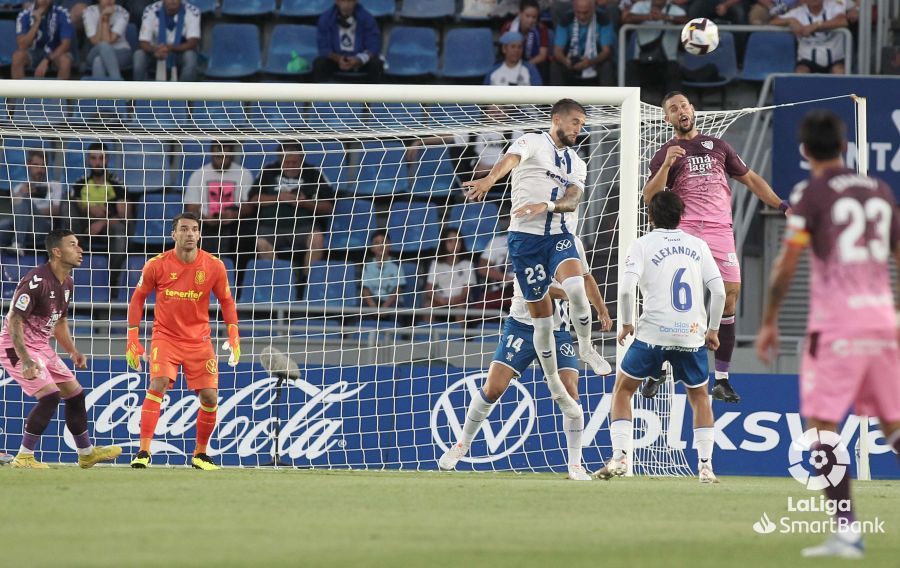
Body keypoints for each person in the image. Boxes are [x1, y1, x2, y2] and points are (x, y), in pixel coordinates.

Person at [755, 111, 900, 559]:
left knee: (822, 428)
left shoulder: (809, 193)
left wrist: (770, 320)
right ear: (844, 148)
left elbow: (787, 263)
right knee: (893, 427)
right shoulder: (880, 190)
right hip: (883, 321)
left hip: (836, 326)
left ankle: (848, 532)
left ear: (804, 151)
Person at [464, 98, 607, 428]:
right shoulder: (532, 141)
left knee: (574, 287)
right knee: (540, 324)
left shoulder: (576, 161)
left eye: (582, 124)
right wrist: (488, 181)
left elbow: (572, 200)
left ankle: (585, 347)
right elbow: (510, 159)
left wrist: (546, 204)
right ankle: (464, 441)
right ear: (556, 119)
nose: (579, 128)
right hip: (525, 242)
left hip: (558, 234)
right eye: (574, 122)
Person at [642, 92, 788, 404]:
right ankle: (656, 370)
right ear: (667, 119)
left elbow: (750, 179)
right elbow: (648, 197)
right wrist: (667, 165)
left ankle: (721, 379)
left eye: (684, 105)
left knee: (731, 294)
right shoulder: (665, 152)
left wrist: (782, 205)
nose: (680, 111)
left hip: (721, 230)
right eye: (673, 109)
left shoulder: (718, 146)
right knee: (676, 300)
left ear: (693, 109)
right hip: (686, 229)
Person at [439, 235, 612, 480]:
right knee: (494, 388)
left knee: (571, 391)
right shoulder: (526, 240)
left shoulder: (571, 242)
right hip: (522, 326)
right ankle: (461, 444)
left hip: (558, 331)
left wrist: (601, 309)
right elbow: (534, 284)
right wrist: (572, 293)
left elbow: (586, 277)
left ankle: (575, 465)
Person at [595, 192, 725, 483]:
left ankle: (620, 458)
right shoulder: (698, 245)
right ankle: (706, 467)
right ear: (682, 215)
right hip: (691, 335)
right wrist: (713, 329)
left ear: (650, 217)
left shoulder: (641, 245)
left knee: (623, 390)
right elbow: (718, 291)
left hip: (653, 333)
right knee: (700, 397)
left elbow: (627, 289)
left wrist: (627, 323)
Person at [126, 211, 240, 470]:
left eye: (194, 229)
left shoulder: (214, 265)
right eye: (185, 229)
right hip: (166, 337)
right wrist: (133, 337)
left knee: (210, 397)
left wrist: (233, 334)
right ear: (173, 234)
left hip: (199, 341)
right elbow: (138, 299)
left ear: (200, 234)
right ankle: (143, 451)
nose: (190, 234)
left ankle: (200, 454)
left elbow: (226, 301)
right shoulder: (156, 264)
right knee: (158, 383)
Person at [0, 229, 121, 468]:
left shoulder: (67, 282)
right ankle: (24, 457)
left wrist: (73, 351)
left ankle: (86, 453)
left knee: (75, 395)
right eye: (73, 245)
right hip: (14, 346)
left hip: (41, 346)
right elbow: (14, 320)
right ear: (56, 251)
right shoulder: (36, 282)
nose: (80, 250)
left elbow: (60, 321)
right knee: (50, 396)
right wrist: (25, 360)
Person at [249, 143, 334, 272]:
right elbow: (253, 200)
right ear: (280, 160)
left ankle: (307, 283)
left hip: (303, 226)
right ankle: (281, 280)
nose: (290, 166)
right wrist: (279, 197)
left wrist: (305, 203)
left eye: (295, 162)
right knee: (260, 242)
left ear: (302, 160)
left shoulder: (314, 174)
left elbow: (329, 207)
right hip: (271, 227)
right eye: (286, 163)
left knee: (317, 239)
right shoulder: (268, 171)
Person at [185, 141, 254, 260]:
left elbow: (250, 206)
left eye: (225, 156)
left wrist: (235, 214)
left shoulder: (244, 174)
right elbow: (191, 207)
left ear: (232, 154)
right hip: (206, 222)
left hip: (235, 223)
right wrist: (205, 218)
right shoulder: (198, 175)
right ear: (212, 153)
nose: (222, 160)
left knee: (245, 235)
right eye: (218, 156)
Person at [69, 142, 129, 257]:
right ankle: (76, 249)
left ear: (107, 160)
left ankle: (113, 274)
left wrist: (102, 223)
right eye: (93, 158)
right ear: (88, 160)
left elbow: (125, 217)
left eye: (102, 158)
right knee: (67, 203)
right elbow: (73, 211)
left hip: (108, 224)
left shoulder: (117, 184)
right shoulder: (79, 183)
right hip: (83, 225)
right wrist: (89, 209)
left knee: (120, 231)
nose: (98, 163)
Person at [0, 150, 63, 255]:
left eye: (43, 165)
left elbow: (57, 211)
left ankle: (18, 243)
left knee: (23, 200)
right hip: (21, 226)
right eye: (36, 165)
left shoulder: (55, 185)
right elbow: (15, 210)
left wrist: (30, 210)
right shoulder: (20, 187)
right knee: (3, 225)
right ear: (28, 165)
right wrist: (21, 193)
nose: (40, 169)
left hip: (42, 228)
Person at [623, 0, 686, 102]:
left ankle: (675, 108)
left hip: (667, 62)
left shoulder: (676, 10)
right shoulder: (640, 6)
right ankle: (630, 107)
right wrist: (648, 17)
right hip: (642, 61)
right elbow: (626, 19)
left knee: (673, 69)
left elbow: (687, 21)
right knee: (630, 67)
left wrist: (666, 17)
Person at [314, 0, 382, 83]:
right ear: (337, 1)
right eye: (343, 1)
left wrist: (359, 59)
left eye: (350, 1)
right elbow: (323, 47)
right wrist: (338, 59)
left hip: (360, 60)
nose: (346, 4)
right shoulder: (326, 18)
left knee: (376, 64)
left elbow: (374, 46)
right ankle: (321, 94)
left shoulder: (367, 18)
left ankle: (374, 94)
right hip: (336, 60)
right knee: (319, 63)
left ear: (356, 1)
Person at [771, 0, 848, 74]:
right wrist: (791, 20)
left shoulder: (833, 5)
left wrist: (816, 25)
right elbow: (773, 22)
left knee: (839, 71)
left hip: (835, 59)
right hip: (807, 59)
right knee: (800, 73)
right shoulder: (797, 12)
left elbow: (842, 21)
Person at [133, 0, 200, 81]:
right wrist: (155, 50)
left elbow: (193, 42)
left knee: (190, 56)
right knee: (139, 55)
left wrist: (170, 48)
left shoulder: (193, 11)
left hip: (180, 52)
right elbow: (143, 42)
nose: (172, 1)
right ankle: (141, 90)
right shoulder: (150, 10)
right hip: (156, 52)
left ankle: (183, 92)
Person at [552, 0, 615, 86]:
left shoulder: (603, 19)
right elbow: (557, 50)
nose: (582, 16)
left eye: (586, 13)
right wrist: (565, 61)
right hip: (570, 60)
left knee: (607, 66)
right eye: (578, 12)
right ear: (574, 8)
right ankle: (556, 98)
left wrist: (590, 62)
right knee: (555, 66)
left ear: (593, 9)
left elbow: (606, 51)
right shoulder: (566, 19)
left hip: (594, 61)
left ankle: (608, 98)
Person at [424, 227, 476, 323]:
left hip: (459, 301)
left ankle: (459, 337)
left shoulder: (467, 264)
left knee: (461, 306)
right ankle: (427, 336)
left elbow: (466, 291)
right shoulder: (436, 264)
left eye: (457, 241)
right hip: (439, 300)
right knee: (428, 305)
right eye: (450, 241)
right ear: (444, 243)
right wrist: (439, 299)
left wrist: (453, 300)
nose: (454, 244)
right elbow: (429, 289)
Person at [13, 0, 74, 80]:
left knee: (65, 61)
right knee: (17, 57)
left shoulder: (62, 13)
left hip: (54, 52)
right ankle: (19, 92)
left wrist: (47, 59)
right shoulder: (24, 15)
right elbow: (22, 45)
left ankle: (60, 92)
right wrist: (36, 23)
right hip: (32, 52)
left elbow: (66, 44)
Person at [499, 0, 551, 80]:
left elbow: (542, 55)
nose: (530, 20)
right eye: (527, 16)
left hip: (535, 65)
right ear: (520, 14)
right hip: (512, 63)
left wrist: (525, 66)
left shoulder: (542, 29)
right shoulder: (508, 27)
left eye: (534, 17)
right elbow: (504, 51)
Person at [83, 0, 132, 79]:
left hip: (120, 51)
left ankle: (102, 90)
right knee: (102, 46)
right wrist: (102, 16)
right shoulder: (88, 11)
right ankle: (117, 80)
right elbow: (95, 41)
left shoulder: (123, 13)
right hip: (96, 51)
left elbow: (108, 41)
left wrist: (106, 19)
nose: (109, 0)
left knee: (98, 61)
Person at [361, 230, 403, 311]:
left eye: (384, 242)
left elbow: (398, 289)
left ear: (389, 246)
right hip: (372, 302)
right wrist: (372, 306)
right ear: (372, 248)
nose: (381, 246)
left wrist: (385, 306)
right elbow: (365, 289)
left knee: (398, 309)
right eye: (376, 243)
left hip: (391, 302)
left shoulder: (396, 264)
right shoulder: (367, 265)